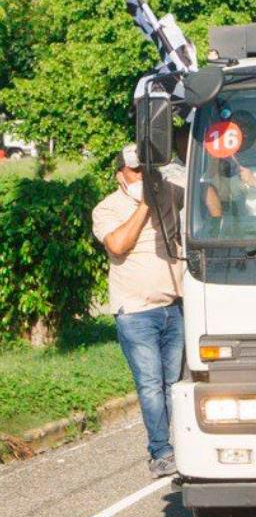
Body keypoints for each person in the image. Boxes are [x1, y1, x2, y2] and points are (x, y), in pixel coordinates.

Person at [91, 144, 185, 478]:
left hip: (173, 307)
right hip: (136, 312)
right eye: (135, 171)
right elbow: (118, 244)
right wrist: (146, 204)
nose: (142, 176)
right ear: (120, 174)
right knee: (150, 385)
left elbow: (208, 204)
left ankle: (182, 447)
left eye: (147, 170)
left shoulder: (169, 193)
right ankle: (160, 452)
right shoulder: (108, 208)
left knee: (174, 385)